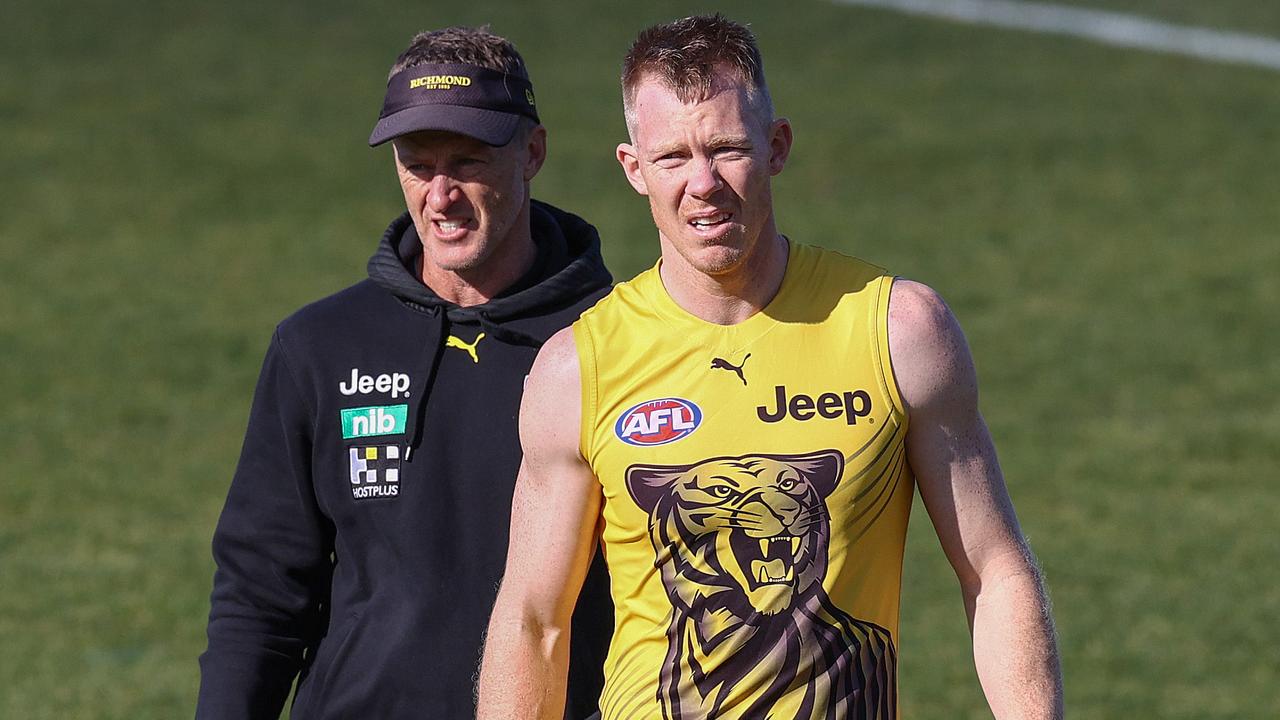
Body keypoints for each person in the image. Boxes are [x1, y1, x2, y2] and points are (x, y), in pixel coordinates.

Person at [476, 13, 1063, 720]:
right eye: (672, 158)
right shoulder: (578, 368)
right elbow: (533, 621)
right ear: (634, 169)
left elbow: (993, 569)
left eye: (727, 149)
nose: (703, 184)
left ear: (776, 146)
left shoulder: (897, 330)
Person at [197, 26, 614, 719]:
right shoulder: (319, 346)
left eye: (469, 162)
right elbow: (260, 590)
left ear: (532, 152)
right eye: (418, 165)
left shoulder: (618, 343)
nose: (441, 195)